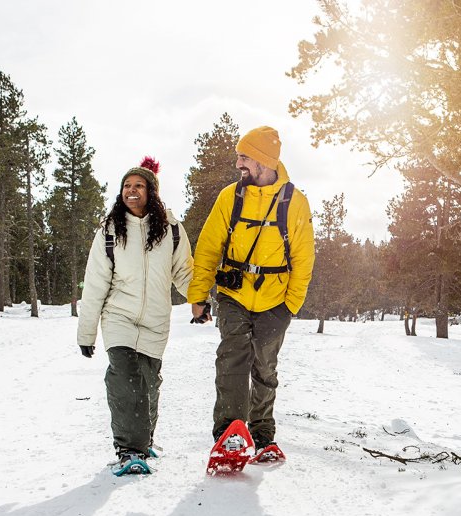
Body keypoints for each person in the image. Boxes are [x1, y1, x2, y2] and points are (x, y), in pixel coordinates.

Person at [187, 126, 315, 453]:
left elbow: (303, 259)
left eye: (244, 156)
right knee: (232, 358)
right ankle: (229, 434)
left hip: (275, 301)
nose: (238, 163)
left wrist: (290, 306)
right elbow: (208, 248)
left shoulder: (294, 202)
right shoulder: (231, 197)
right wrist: (198, 295)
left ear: (262, 160)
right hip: (233, 296)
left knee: (264, 368)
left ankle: (261, 434)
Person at [77, 157, 193, 474]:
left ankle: (144, 439)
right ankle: (129, 450)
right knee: (125, 380)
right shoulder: (110, 231)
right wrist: (86, 333)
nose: (131, 191)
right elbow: (95, 284)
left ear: (151, 192)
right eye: (127, 186)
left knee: (149, 383)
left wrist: (200, 300)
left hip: (156, 320)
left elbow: (184, 274)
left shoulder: (171, 230)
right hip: (119, 317)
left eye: (139, 186)